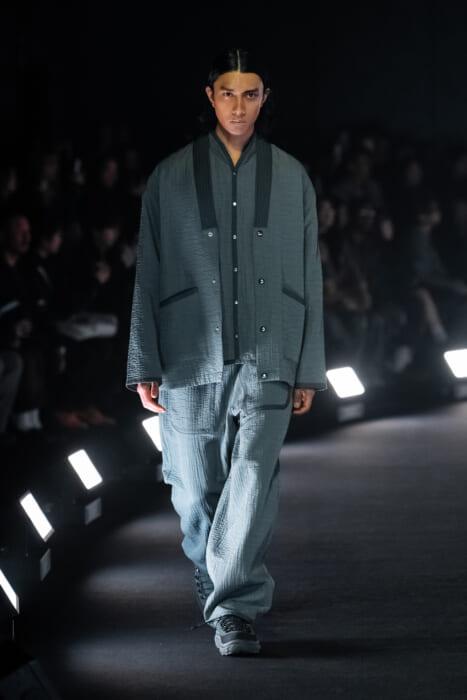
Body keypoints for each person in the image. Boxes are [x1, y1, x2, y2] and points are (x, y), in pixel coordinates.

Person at [126, 48, 327, 656]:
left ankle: (235, 607)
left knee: (253, 479)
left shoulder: (292, 176)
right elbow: (148, 270)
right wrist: (144, 360)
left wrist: (309, 366)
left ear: (265, 99)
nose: (239, 106)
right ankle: (212, 565)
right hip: (189, 347)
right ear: (210, 96)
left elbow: (309, 271)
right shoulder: (169, 177)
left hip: (272, 345)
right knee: (192, 483)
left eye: (251, 93)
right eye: (228, 93)